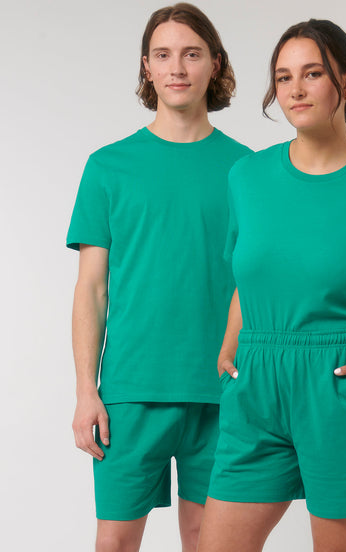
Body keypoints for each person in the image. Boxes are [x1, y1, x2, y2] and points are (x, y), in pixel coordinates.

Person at [197, 19, 346, 552]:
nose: (295, 90)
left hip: (338, 384)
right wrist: (230, 348)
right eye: (283, 77)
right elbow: (245, 279)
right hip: (254, 385)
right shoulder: (247, 178)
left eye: (312, 73)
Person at [66, 3, 251, 551]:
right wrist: (85, 390)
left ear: (215, 64)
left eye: (191, 54)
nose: (177, 68)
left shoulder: (249, 172)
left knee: (207, 541)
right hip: (130, 390)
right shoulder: (108, 167)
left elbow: (258, 282)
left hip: (223, 390)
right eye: (163, 55)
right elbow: (91, 289)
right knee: (116, 541)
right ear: (146, 67)